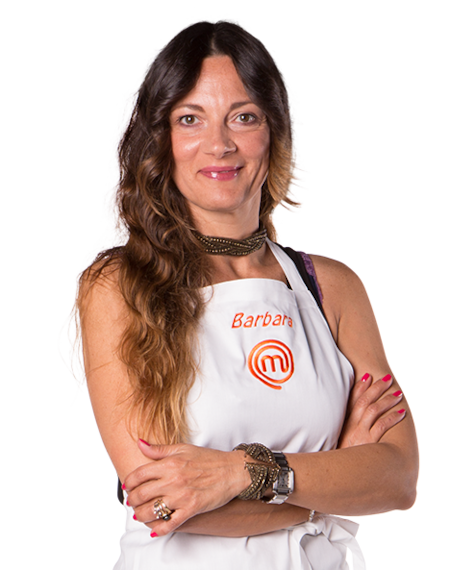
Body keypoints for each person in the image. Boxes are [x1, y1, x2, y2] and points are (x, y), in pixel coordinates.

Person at [58, 16, 420, 569]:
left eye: (243, 117)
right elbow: (163, 505)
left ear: (274, 130)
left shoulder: (333, 287)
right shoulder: (118, 287)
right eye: (190, 119)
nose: (220, 144)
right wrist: (331, 480)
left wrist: (237, 473)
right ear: (161, 139)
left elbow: (397, 477)